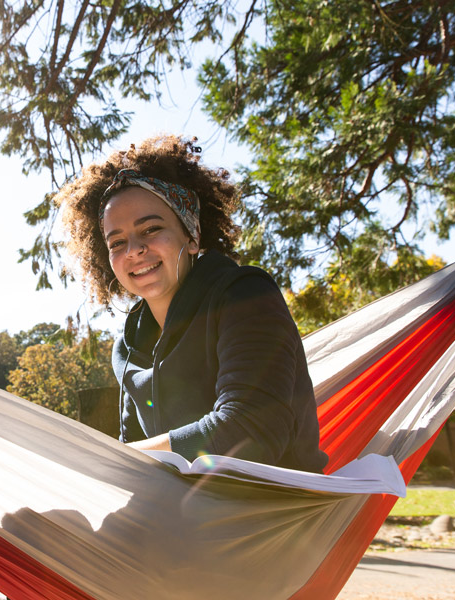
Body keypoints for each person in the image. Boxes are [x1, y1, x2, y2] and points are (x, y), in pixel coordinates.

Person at [57, 135, 328, 473]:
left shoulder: (245, 295)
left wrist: (111, 461)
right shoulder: (126, 349)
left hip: (273, 512)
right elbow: (136, 451)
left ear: (193, 233)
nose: (134, 250)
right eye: (117, 242)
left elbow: (251, 434)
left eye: (152, 229)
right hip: (176, 511)